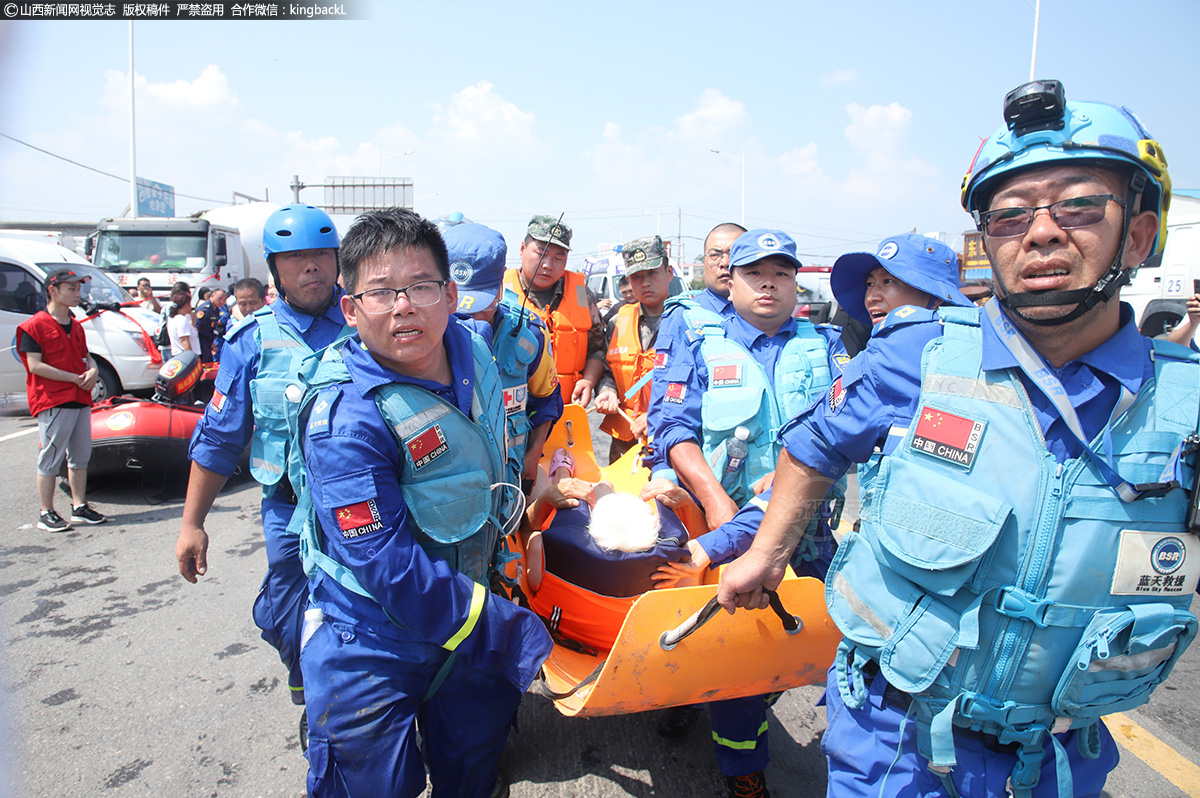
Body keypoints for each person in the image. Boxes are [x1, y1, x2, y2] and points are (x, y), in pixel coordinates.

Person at [718, 80, 1195, 798]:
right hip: (896, 737)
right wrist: (765, 552)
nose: (1040, 232)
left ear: (1138, 232)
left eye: (1078, 205)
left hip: (1057, 757)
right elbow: (814, 445)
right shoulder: (921, 353)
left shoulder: (1185, 408)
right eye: (1009, 215)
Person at [287, 207, 551, 797]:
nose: (404, 306)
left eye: (421, 286)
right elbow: (385, 565)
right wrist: (501, 628)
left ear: (451, 294)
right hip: (375, 636)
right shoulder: (345, 417)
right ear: (350, 308)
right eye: (380, 292)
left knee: (474, 769)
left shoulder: (476, 353)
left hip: (473, 602)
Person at [648, 229, 846, 798]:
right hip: (722, 534)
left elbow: (844, 438)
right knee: (739, 664)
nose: (768, 283)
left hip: (811, 537)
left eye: (781, 273)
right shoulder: (697, 339)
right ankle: (744, 774)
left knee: (808, 652)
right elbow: (673, 428)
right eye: (754, 272)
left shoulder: (826, 345)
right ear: (728, 281)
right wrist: (715, 498)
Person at [175, 205, 347, 735]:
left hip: (366, 507)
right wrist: (191, 523)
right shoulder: (249, 340)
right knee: (288, 609)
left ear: (338, 261)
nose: (311, 267)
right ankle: (314, 705)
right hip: (288, 511)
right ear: (276, 269)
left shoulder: (370, 322)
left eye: (320, 255)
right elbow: (219, 437)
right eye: (296, 258)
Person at [445, 221, 563, 493]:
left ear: (499, 288)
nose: (467, 321)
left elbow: (547, 399)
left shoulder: (529, 334)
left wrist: (533, 455)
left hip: (511, 478)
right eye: (455, 305)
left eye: (478, 308)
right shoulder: (422, 334)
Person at [16, 268, 109, 532]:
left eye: (78, 289)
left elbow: (86, 357)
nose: (77, 294)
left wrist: (93, 370)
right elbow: (34, 366)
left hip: (80, 397)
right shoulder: (34, 325)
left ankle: (79, 506)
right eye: (71, 289)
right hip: (53, 399)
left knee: (80, 455)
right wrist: (72, 378)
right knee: (51, 457)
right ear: (53, 290)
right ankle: (46, 512)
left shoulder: (76, 326)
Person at [503, 215, 607, 405]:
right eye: (541, 254)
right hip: (511, 412)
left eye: (559, 257)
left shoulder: (583, 295)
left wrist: (588, 381)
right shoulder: (499, 293)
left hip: (566, 410)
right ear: (522, 249)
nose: (548, 265)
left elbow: (597, 349)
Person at [595, 235, 673, 463]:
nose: (645, 282)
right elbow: (608, 369)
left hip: (671, 437)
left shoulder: (686, 321)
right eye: (637, 277)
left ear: (668, 273)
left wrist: (659, 415)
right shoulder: (617, 322)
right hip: (625, 439)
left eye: (652, 273)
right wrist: (607, 390)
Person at [195, 287, 228, 362]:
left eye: (224, 299)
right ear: (212, 296)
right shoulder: (204, 310)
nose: (222, 301)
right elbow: (197, 328)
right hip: (202, 341)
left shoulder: (216, 309)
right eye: (219, 298)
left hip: (210, 340)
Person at [166, 287, 197, 354]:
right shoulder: (182, 320)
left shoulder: (173, 319)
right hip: (183, 356)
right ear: (186, 305)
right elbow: (184, 340)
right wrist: (191, 357)